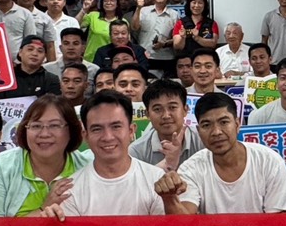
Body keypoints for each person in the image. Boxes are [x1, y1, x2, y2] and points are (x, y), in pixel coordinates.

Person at [66, 91, 195, 217]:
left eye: (116, 126)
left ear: (131, 131)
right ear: (86, 136)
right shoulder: (70, 190)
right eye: (97, 129)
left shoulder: (156, 179)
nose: (108, 137)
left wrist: (169, 200)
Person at [165, 93, 286, 214]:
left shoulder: (269, 162)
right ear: (198, 130)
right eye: (206, 125)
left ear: (237, 124)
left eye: (224, 122)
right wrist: (169, 198)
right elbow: (185, 220)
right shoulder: (190, 168)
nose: (216, 132)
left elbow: (277, 220)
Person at [0, 94, 88, 219]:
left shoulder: (87, 166)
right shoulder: (0, 166)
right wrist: (43, 208)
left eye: (54, 125)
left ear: (72, 130)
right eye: (36, 126)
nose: (44, 134)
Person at [129, 78, 204, 171]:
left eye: (172, 107)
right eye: (157, 109)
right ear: (147, 114)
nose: (166, 116)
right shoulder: (136, 151)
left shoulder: (203, 140)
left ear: (185, 110)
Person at [131, 0, 178, 75]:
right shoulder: (143, 11)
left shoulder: (174, 14)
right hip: (145, 56)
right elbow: (134, 27)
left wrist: (164, 43)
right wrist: (138, 8)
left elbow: (177, 38)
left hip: (166, 58)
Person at [5, 34, 62, 98]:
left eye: (40, 51)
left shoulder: (51, 79)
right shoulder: (7, 78)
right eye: (30, 49)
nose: (34, 54)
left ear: (44, 56)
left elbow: (54, 103)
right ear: (20, 52)